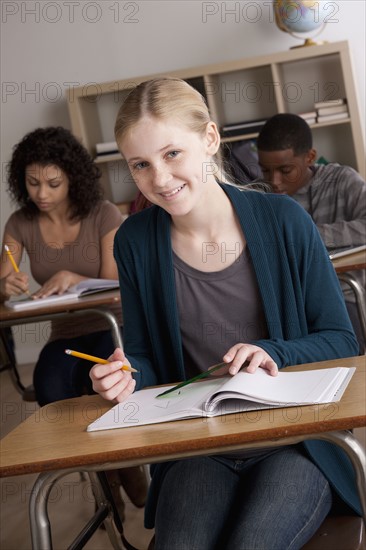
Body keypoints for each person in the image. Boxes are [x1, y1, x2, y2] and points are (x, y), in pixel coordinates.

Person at [89, 78, 360, 550]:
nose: (159, 179)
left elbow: (341, 339)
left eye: (172, 154)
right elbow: (146, 357)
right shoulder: (134, 241)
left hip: (293, 444)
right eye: (141, 165)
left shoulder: (284, 220)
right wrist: (127, 376)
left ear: (210, 139)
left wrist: (270, 351)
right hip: (198, 447)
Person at [0, 126, 147, 513]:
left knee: (98, 386)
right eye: (32, 183)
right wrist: (7, 283)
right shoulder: (19, 223)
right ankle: (105, 480)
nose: (41, 194)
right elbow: (3, 279)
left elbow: (115, 283)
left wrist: (75, 278)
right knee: (49, 389)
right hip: (64, 333)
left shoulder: (103, 213)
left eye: (52, 183)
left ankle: (126, 465)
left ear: (72, 178)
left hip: (111, 326)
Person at [256, 113, 366, 353]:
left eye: (286, 170)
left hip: (344, 295)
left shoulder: (342, 181)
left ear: (310, 157)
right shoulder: (258, 195)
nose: (274, 181)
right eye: (265, 170)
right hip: (286, 306)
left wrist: (309, 236)